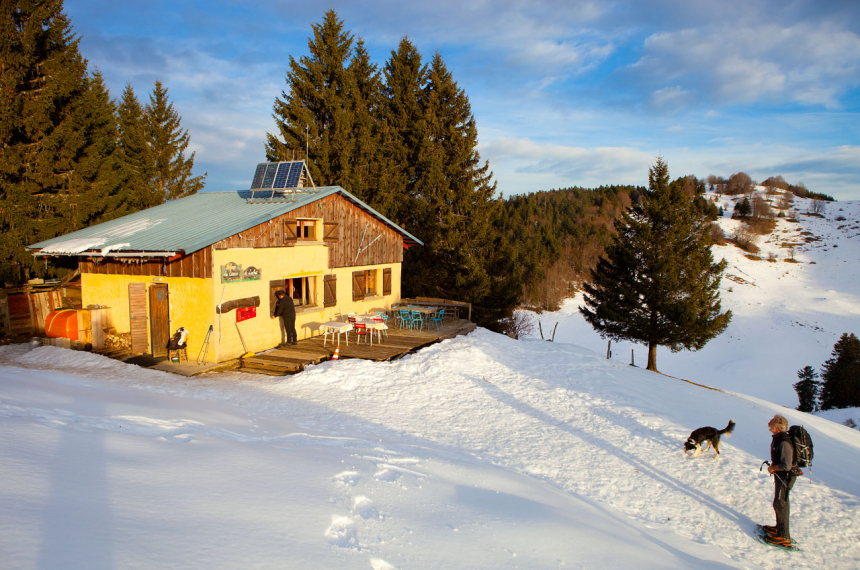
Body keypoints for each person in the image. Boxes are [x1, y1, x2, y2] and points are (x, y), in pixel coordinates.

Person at [762, 414, 797, 547]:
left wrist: (773, 468)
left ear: (777, 427)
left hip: (785, 477)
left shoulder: (783, 442)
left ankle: (784, 537)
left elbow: (786, 465)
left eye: (771, 422)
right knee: (780, 503)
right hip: (781, 476)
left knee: (781, 503)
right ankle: (779, 529)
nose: (768, 423)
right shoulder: (779, 439)